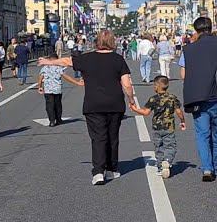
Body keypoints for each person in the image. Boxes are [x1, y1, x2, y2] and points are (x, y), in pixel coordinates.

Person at [68, 30, 137, 184]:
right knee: (113, 137)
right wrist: (131, 100)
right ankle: (112, 168)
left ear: (96, 42)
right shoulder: (118, 59)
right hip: (115, 104)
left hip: (93, 104)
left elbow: (67, 61)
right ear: (113, 42)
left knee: (98, 138)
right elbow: (127, 84)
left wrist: (49, 62)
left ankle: (99, 172)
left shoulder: (86, 58)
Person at [182, 16, 217, 181]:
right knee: (216, 133)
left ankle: (207, 169)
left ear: (196, 30)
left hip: (197, 98)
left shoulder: (188, 49)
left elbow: (183, 74)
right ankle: (216, 166)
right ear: (211, 28)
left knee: (202, 134)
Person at [131, 74, 186, 178]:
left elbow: (146, 112)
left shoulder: (153, 99)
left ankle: (161, 167)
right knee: (170, 146)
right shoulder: (172, 98)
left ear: (157, 86)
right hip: (169, 127)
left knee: (159, 147)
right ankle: (167, 160)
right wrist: (182, 121)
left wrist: (135, 109)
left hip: (156, 128)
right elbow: (179, 111)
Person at [37, 49, 83, 127]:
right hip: (57, 89)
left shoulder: (44, 68)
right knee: (58, 105)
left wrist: (40, 86)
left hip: (48, 90)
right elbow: (66, 77)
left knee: (49, 105)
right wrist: (77, 82)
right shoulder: (58, 67)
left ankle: (52, 121)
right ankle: (58, 119)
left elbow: (40, 77)